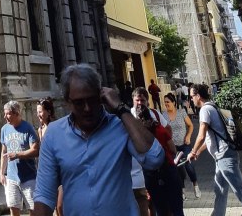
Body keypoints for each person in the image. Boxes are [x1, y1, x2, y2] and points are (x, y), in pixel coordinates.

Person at [33, 63, 163, 216]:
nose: (87, 108)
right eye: (79, 102)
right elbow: (44, 194)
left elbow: (154, 159)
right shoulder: (54, 134)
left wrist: (121, 108)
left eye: (92, 100)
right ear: (68, 102)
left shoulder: (121, 126)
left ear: (101, 96)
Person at [189, 83, 242, 216]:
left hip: (224, 157)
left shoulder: (205, 110)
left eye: (192, 96)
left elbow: (201, 135)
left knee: (240, 191)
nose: (191, 99)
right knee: (220, 190)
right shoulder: (213, 106)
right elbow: (211, 138)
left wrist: (192, 151)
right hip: (222, 156)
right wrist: (198, 152)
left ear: (198, 96)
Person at [134, 99, 184, 216]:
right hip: (168, 169)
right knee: (177, 207)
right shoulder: (159, 128)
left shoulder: (139, 135)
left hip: (151, 175)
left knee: (160, 209)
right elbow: (173, 149)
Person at [0, 100, 39, 216]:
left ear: (16, 113)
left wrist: (17, 155)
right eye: (4, 113)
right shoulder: (4, 129)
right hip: (11, 177)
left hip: (29, 177)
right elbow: (4, 152)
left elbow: (35, 150)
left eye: (7, 114)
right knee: (13, 207)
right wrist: (1, 173)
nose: (5, 116)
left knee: (33, 209)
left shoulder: (28, 128)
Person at [163, 91, 200, 198]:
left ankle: (195, 185)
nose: (166, 104)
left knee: (189, 165)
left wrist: (188, 136)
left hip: (184, 144)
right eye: (165, 102)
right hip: (172, 147)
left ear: (174, 102)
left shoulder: (181, 112)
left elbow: (191, 125)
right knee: (178, 168)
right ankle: (182, 190)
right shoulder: (163, 115)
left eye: (168, 102)